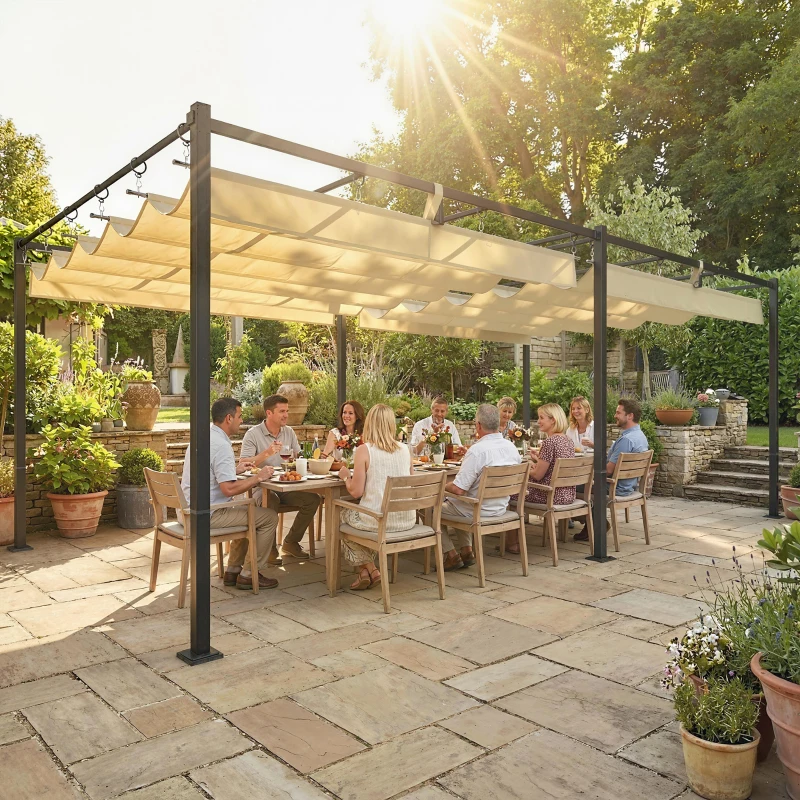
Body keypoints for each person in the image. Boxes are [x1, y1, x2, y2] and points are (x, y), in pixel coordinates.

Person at [180, 397, 280, 590]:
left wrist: (236, 470)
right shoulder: (222, 446)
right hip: (207, 515)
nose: (242, 421)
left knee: (246, 510)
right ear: (228, 418)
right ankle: (250, 574)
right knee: (268, 518)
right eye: (240, 416)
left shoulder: (203, 436)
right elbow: (229, 489)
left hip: (189, 510)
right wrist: (259, 478)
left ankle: (233, 570)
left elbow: (211, 474)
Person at [337, 404, 416, 590]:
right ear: (391, 424)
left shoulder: (365, 450)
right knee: (352, 517)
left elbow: (355, 492)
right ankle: (367, 571)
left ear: (370, 424)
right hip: (406, 519)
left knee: (340, 514)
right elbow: (411, 483)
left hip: (379, 521)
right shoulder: (405, 450)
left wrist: (345, 477)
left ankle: (369, 569)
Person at [239, 394, 321, 563]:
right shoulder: (253, 434)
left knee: (313, 499)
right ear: (269, 413)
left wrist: (300, 461)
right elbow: (243, 463)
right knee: (271, 500)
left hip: (285, 484)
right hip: (259, 488)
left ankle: (291, 542)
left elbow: (298, 455)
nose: (286, 415)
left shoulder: (288, 432)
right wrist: (266, 454)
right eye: (281, 411)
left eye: (287, 411)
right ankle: (268, 549)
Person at [441, 404, 522, 570]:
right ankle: (466, 550)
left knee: (432, 508)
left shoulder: (477, 451)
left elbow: (458, 490)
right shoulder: (512, 448)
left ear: (478, 425)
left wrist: (442, 485)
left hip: (477, 511)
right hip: (500, 508)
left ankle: (450, 555)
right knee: (456, 503)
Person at [573, 397, 649, 542]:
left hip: (614, 487)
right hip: (628, 486)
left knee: (569, 486)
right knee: (580, 485)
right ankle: (594, 523)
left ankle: (594, 525)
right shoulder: (640, 436)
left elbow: (607, 470)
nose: (615, 415)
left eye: (618, 412)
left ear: (630, 416)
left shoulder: (626, 440)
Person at [511, 403, 575, 553]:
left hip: (549, 495)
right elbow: (552, 467)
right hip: (567, 493)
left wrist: (526, 468)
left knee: (510, 494)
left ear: (553, 420)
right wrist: (536, 461)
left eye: (541, 418)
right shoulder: (567, 440)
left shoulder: (549, 442)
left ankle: (511, 542)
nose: (538, 421)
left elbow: (538, 475)